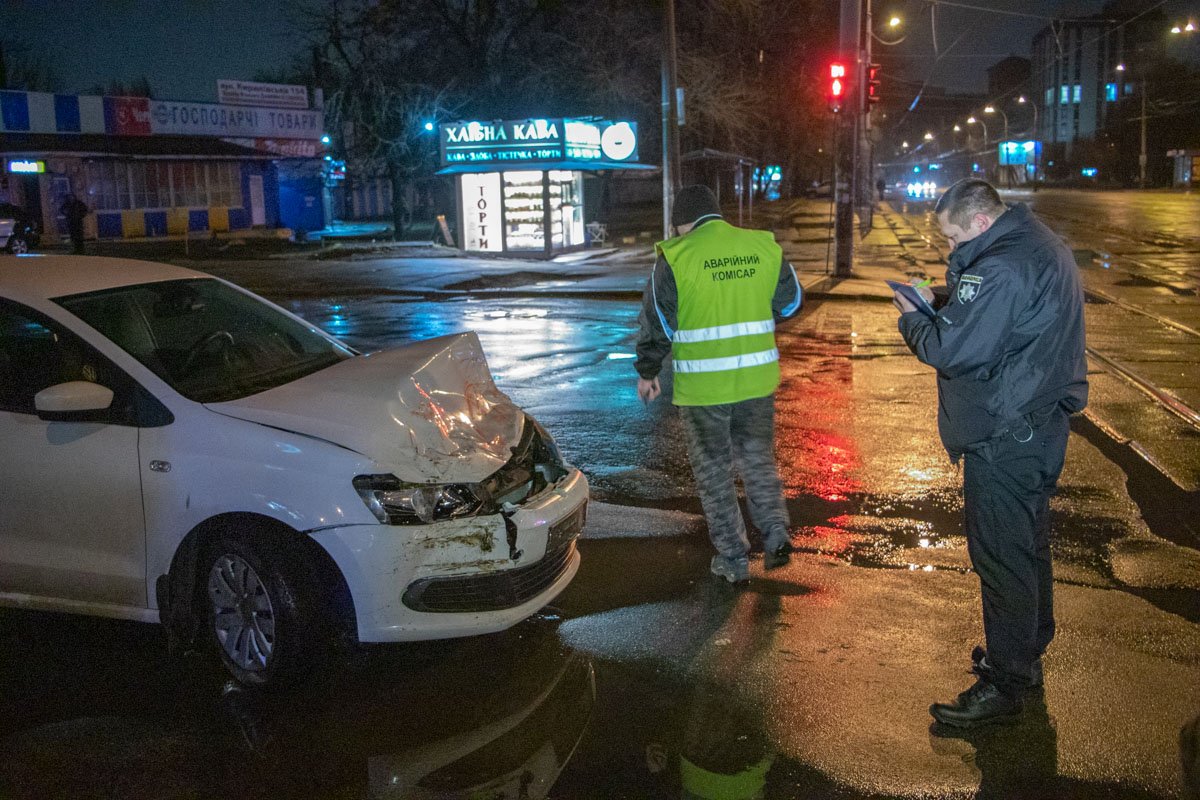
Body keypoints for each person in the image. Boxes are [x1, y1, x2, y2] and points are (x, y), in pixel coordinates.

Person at [892, 178, 1087, 728]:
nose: (951, 247)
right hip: (1037, 423)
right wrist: (945, 299)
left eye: (954, 238)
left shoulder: (999, 267)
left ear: (980, 222)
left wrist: (912, 314)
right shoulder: (1037, 242)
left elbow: (950, 349)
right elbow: (1003, 321)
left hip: (1006, 431)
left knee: (1001, 558)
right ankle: (1025, 650)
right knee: (1028, 547)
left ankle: (1004, 684)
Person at [635, 184, 802, 584]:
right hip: (756, 381)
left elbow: (658, 323)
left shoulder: (675, 257)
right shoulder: (762, 247)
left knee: (714, 471)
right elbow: (791, 302)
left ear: (681, 223)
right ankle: (775, 532)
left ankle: (733, 558)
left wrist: (648, 371)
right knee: (757, 458)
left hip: (704, 390)